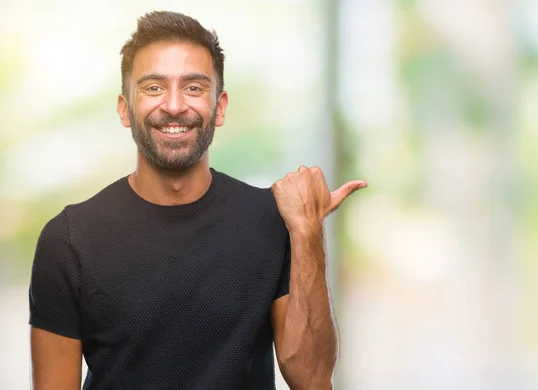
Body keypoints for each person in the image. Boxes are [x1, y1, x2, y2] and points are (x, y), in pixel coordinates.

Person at [28, 10, 367, 390]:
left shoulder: (272, 223)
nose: (174, 105)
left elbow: (314, 379)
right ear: (125, 108)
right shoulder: (69, 240)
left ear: (219, 107)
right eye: (154, 87)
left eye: (193, 87)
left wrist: (307, 229)